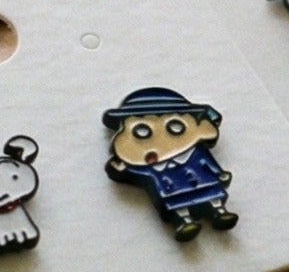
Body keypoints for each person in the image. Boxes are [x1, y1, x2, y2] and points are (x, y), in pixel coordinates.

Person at [101, 87, 237, 242]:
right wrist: (122, 168)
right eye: (142, 131)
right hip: (171, 190)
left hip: (204, 182)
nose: (159, 140)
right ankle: (186, 222)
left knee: (213, 198)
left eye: (175, 127)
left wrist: (219, 173)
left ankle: (219, 212)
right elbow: (140, 172)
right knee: (179, 206)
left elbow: (208, 162)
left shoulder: (196, 152)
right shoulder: (150, 166)